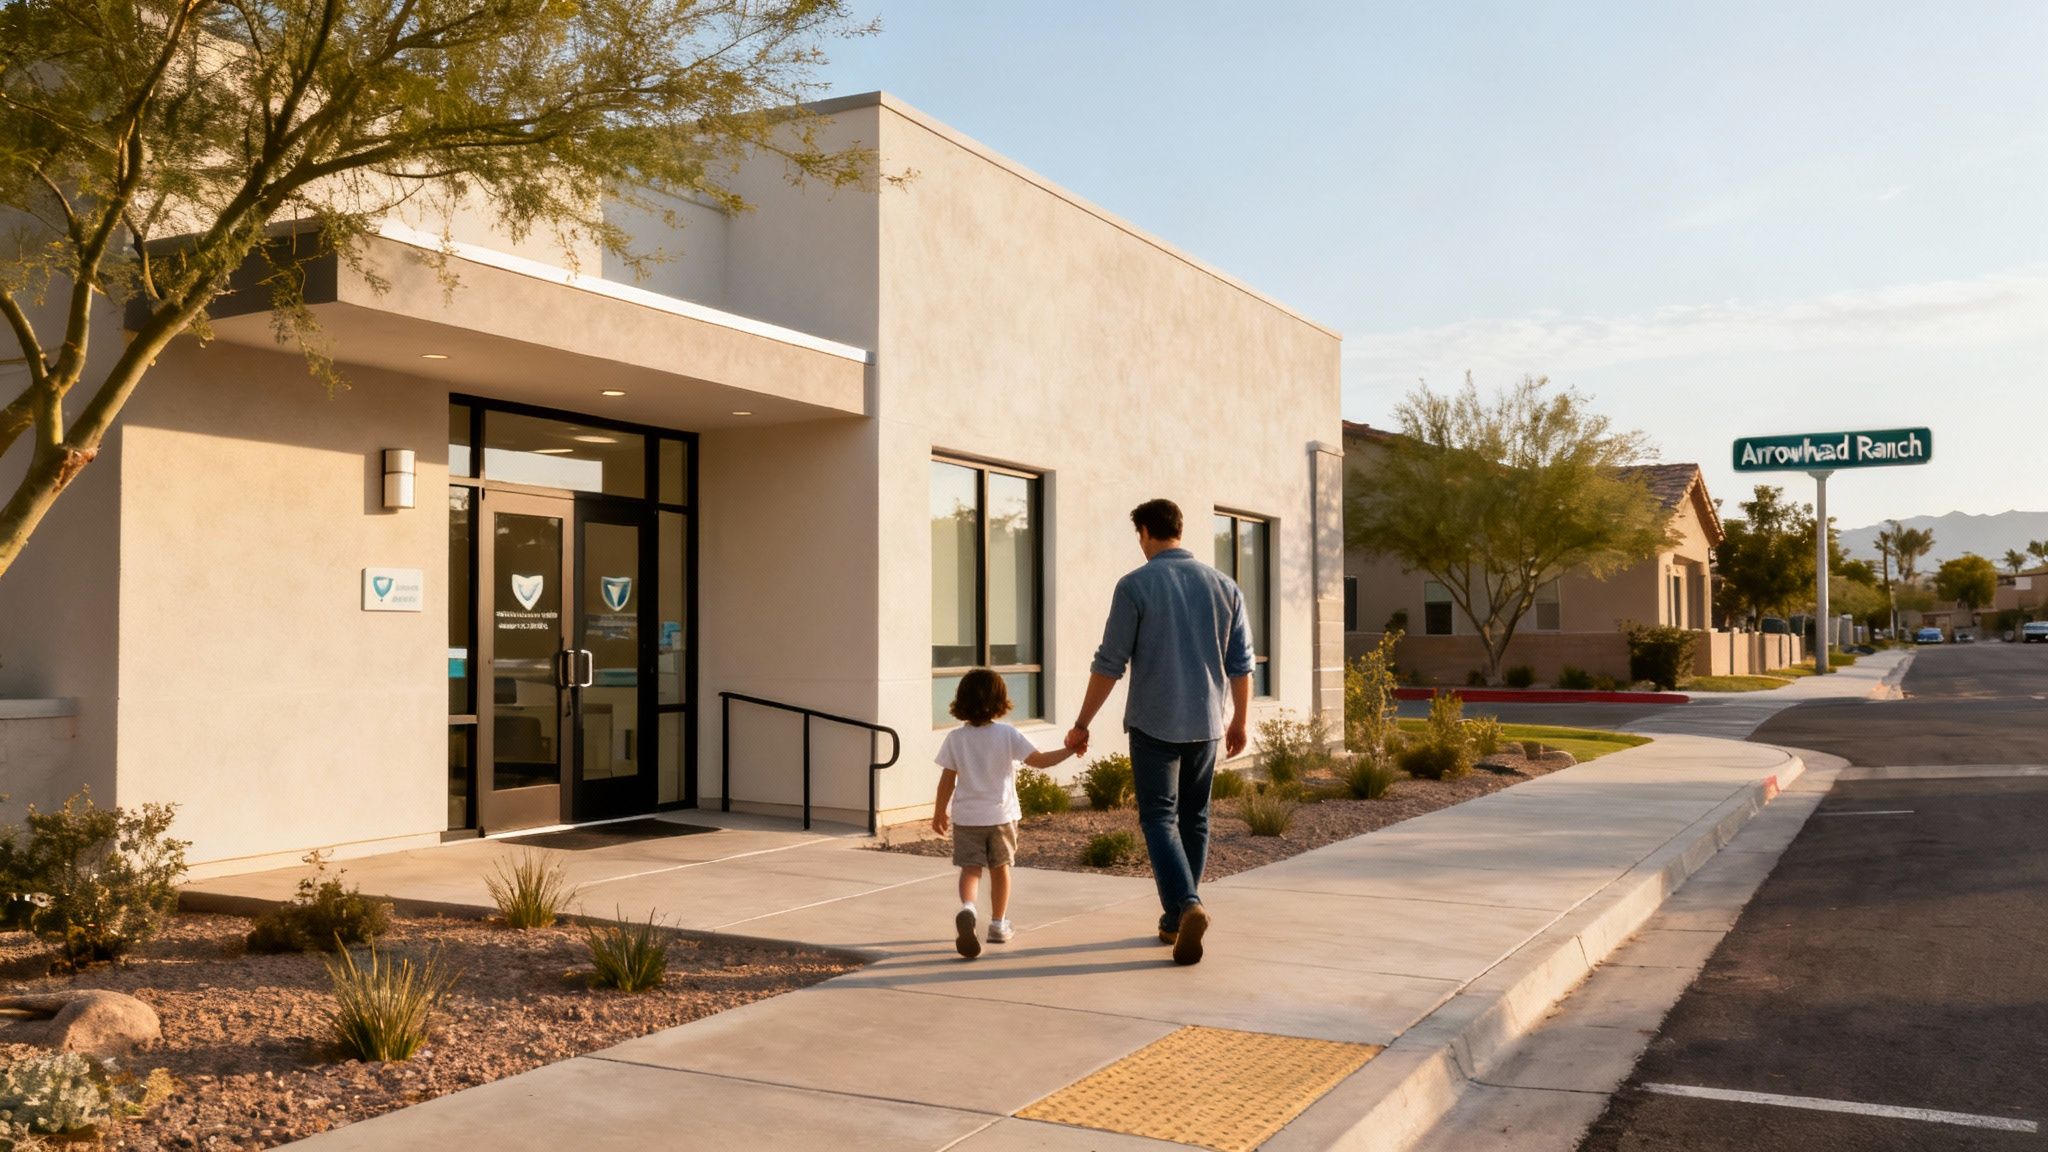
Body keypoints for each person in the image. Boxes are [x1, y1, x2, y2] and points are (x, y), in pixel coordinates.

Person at [1067, 498, 1252, 966]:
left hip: (1154, 724)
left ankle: (1186, 905)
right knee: (1195, 818)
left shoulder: (1135, 585)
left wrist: (1082, 723)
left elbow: (1110, 663)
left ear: (1146, 532)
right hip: (1207, 724)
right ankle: (1176, 918)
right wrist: (1239, 720)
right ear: (1180, 530)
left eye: (1140, 536)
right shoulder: (1225, 586)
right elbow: (1241, 663)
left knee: (1159, 818)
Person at [932, 668, 1078, 959]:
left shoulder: (955, 738)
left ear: (961, 701)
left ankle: (968, 909)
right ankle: (998, 924)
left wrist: (939, 812)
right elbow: (1040, 761)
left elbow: (947, 779)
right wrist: (1069, 750)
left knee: (970, 869)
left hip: (967, 818)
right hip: (1001, 816)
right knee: (1000, 869)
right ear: (999, 700)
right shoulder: (1007, 734)